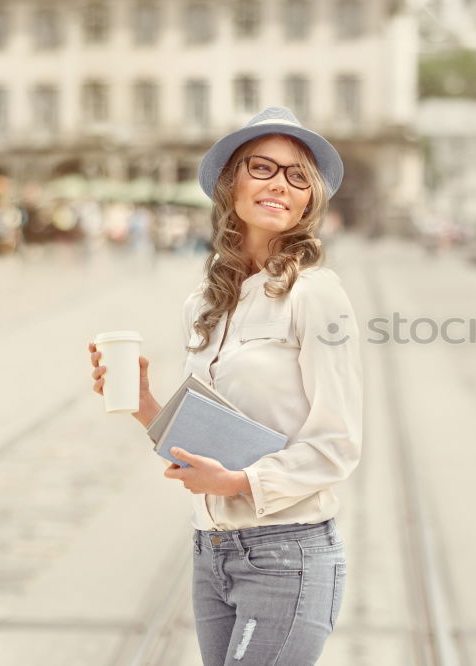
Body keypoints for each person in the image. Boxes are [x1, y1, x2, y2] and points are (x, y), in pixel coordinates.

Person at [87, 106, 363, 664]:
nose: (280, 184)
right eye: (262, 167)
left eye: (296, 175)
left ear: (310, 198)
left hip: (289, 552)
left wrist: (236, 482)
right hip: (211, 550)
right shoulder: (207, 301)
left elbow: (338, 446)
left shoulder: (317, 294)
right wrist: (146, 407)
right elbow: (214, 432)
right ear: (229, 182)